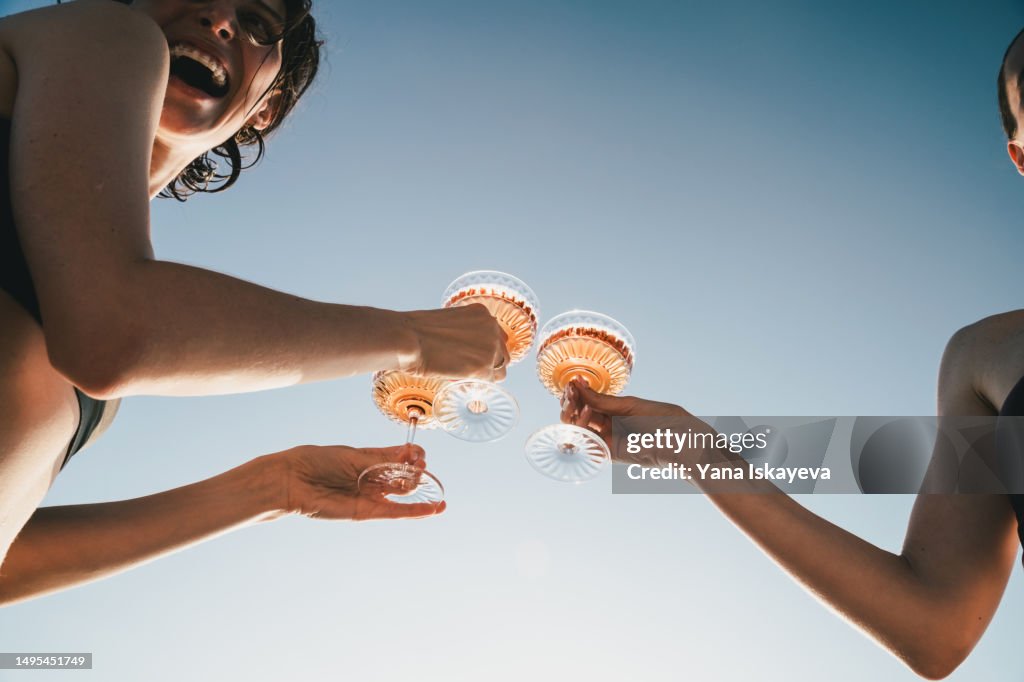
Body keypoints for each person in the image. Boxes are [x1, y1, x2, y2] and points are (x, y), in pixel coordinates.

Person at [0, 0, 509, 605]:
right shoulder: (104, 28)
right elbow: (112, 332)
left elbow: (8, 564)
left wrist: (272, 487)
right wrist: (412, 337)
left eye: (258, 23)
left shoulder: (127, 298)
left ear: (264, 111)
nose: (219, 17)